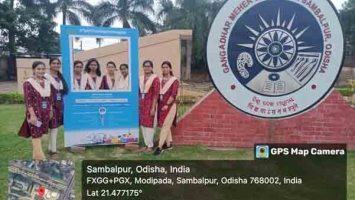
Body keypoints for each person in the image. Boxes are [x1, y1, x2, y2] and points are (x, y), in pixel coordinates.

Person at [18, 61, 54, 161]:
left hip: (45, 113)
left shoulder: (47, 83)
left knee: (40, 134)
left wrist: (51, 110)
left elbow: (50, 98)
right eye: (38, 69)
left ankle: (35, 157)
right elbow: (28, 100)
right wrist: (32, 115)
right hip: (35, 113)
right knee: (36, 134)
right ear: (34, 70)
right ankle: (41, 159)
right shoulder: (28, 83)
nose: (41, 71)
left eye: (43, 69)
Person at [153, 61, 179, 156]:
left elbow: (173, 94)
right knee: (165, 125)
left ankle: (160, 147)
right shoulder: (160, 80)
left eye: (167, 67)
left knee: (165, 126)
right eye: (163, 67)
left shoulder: (174, 80)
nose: (165, 69)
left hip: (170, 105)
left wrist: (167, 104)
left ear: (170, 69)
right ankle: (169, 144)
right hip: (160, 105)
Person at [44, 58, 68, 159]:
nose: (56, 65)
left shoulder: (60, 77)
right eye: (53, 63)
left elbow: (62, 91)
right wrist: (48, 106)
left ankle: (50, 148)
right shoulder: (46, 77)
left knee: (56, 127)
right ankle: (53, 150)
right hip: (51, 104)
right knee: (53, 127)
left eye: (58, 63)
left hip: (59, 104)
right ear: (50, 65)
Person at [138, 60, 160, 152]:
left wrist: (153, 108)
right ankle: (146, 144)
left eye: (148, 66)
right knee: (143, 124)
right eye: (145, 66)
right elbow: (139, 92)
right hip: (142, 104)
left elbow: (156, 94)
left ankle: (150, 146)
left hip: (150, 103)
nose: (146, 68)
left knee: (150, 125)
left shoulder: (155, 78)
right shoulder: (141, 78)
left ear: (152, 67)